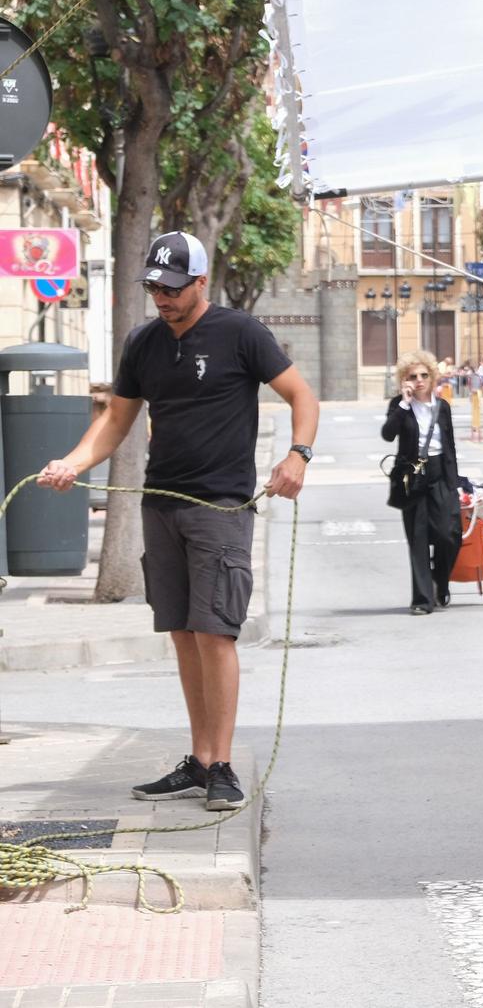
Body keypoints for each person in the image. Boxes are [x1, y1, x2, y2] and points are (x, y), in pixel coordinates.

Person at [38, 231, 318, 812]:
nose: (162, 299)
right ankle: (199, 758)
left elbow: (301, 396)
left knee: (216, 633)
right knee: (185, 635)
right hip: (160, 505)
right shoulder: (143, 343)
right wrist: (72, 462)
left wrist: (298, 455)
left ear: (199, 283)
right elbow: (116, 420)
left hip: (219, 508)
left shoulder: (241, 333)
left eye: (171, 289)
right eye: (154, 288)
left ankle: (223, 766)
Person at [382, 350, 462, 615]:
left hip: (440, 473)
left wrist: (455, 484)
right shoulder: (399, 406)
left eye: (424, 375)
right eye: (412, 376)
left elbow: (449, 447)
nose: (419, 381)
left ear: (432, 377)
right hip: (411, 477)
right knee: (417, 539)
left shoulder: (442, 407)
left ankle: (441, 581)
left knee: (449, 535)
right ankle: (422, 600)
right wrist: (404, 404)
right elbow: (387, 434)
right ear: (404, 380)